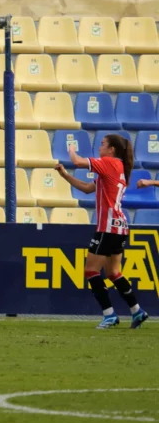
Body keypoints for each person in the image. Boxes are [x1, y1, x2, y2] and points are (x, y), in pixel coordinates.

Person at [56, 135, 147, 328]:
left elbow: (77, 161)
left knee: (91, 271)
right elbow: (87, 188)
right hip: (120, 227)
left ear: (112, 149)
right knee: (113, 273)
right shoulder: (117, 168)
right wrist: (64, 175)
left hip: (108, 227)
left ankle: (109, 315)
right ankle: (137, 311)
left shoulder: (110, 163)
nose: (99, 147)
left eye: (103, 144)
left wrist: (71, 148)